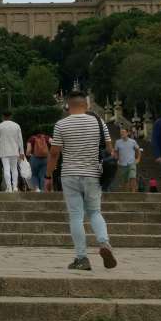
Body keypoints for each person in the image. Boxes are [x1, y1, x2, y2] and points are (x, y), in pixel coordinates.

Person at [46, 91, 117, 271]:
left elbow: (54, 153)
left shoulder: (61, 124)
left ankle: (81, 258)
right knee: (95, 212)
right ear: (86, 105)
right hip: (92, 174)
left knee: (76, 216)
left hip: (69, 174)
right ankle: (104, 243)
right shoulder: (99, 122)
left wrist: (48, 176)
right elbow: (109, 150)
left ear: (68, 106)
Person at [0, 111, 25, 192]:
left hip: (4, 151)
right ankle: (15, 187)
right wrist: (22, 152)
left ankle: (9, 187)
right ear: (11, 116)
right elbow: (20, 140)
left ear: (3, 117)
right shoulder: (16, 126)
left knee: (6, 168)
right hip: (14, 151)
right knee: (14, 169)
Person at [113, 127, 142, 193]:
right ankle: (126, 194)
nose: (122, 133)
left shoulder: (133, 141)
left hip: (131, 162)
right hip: (122, 164)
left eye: (123, 132)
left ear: (127, 133)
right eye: (121, 132)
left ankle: (133, 193)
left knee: (133, 177)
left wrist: (138, 159)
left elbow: (138, 150)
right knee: (125, 181)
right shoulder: (117, 142)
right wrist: (116, 158)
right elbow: (116, 152)